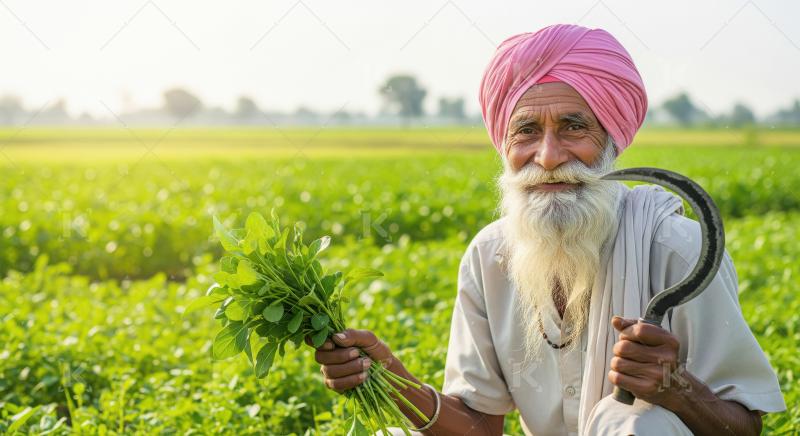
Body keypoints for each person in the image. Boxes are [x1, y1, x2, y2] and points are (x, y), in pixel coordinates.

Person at [311, 24, 786, 435]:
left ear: (611, 142)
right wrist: (390, 378)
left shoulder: (675, 250)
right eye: (526, 131)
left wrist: (678, 391)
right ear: (504, 145)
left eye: (573, 128)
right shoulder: (490, 257)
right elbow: (479, 426)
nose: (548, 156)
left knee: (639, 423)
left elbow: (746, 427)